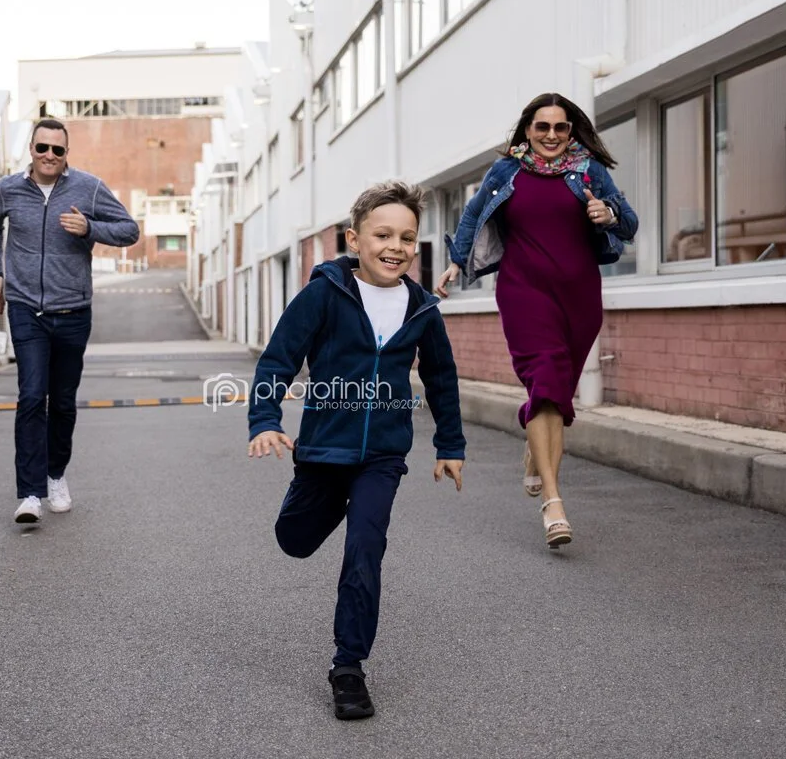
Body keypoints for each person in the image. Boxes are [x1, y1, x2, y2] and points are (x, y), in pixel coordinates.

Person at [248, 181, 465, 721]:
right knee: (294, 540)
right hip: (324, 450)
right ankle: (324, 504)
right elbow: (278, 359)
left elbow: (441, 377)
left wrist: (450, 444)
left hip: (383, 456)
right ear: (355, 239)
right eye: (383, 234)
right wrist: (264, 419)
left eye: (408, 237)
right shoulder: (324, 293)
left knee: (365, 548)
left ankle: (348, 667)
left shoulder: (421, 307)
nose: (396, 246)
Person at [436, 93, 637, 549]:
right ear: (527, 129)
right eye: (541, 127)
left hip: (580, 296)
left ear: (571, 132)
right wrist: (455, 261)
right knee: (546, 381)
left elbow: (629, 223)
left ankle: (535, 443)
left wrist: (607, 214)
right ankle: (553, 503)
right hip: (523, 292)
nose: (550, 135)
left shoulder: (588, 171)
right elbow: (471, 216)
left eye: (560, 128)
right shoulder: (506, 171)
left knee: (554, 397)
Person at [0, 118, 139, 525]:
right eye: (42, 148)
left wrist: (90, 227)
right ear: (30, 150)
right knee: (32, 396)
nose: (49, 156)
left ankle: (55, 475)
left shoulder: (89, 188)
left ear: (66, 154)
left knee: (63, 403)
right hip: (25, 308)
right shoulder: (8, 189)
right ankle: (29, 493)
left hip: (73, 311)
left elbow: (129, 230)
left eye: (58, 150)